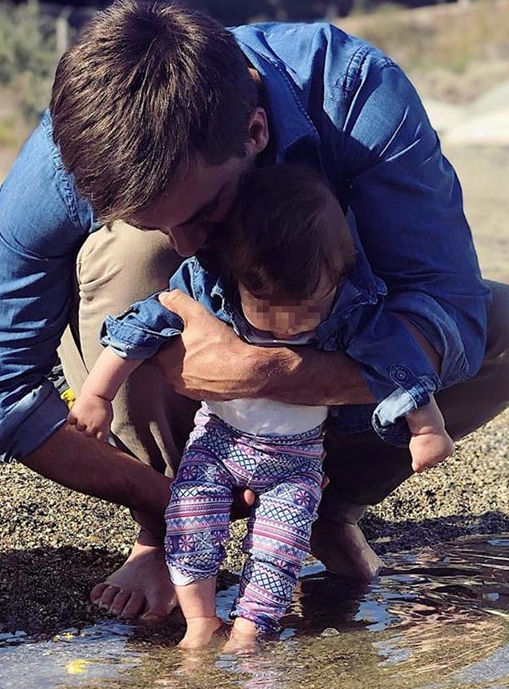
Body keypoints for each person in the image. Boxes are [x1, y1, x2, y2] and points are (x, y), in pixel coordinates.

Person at [0, 0, 509, 624]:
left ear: (256, 131)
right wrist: (172, 501)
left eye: (203, 213)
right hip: (177, 425)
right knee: (137, 254)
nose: (187, 245)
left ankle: (323, 509)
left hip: (330, 333)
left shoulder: (352, 93)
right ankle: (167, 535)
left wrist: (265, 372)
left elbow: (452, 309)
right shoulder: (65, 159)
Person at [67, 165, 454, 648]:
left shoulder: (351, 308)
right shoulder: (206, 287)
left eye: (306, 308)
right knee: (190, 521)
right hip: (218, 440)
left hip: (296, 460)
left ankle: (251, 629)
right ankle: (200, 621)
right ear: (232, 272)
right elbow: (137, 331)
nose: (288, 326)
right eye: (266, 306)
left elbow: (397, 360)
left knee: (279, 546)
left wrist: (426, 425)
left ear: (339, 275)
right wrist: (96, 395)